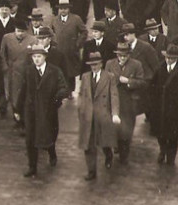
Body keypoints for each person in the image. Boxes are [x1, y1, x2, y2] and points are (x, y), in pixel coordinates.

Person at [17, 39, 69, 177]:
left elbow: (64, 88)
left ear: (45, 57)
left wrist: (55, 100)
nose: (36, 59)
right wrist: (17, 109)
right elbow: (23, 90)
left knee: (50, 133)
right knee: (30, 138)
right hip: (31, 110)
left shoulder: (54, 71)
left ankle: (52, 153)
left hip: (48, 110)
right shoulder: (28, 71)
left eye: (39, 56)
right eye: (34, 57)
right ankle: (32, 167)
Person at [77, 46, 120, 181]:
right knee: (88, 144)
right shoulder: (85, 77)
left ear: (101, 64)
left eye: (96, 64)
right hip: (88, 115)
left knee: (104, 141)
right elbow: (81, 95)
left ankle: (108, 155)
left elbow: (114, 95)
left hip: (103, 114)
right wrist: (81, 111)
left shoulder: (109, 77)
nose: (93, 67)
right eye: (91, 65)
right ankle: (91, 171)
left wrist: (115, 114)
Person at [149, 43, 178, 165]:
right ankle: (162, 150)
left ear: (177, 58)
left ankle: (171, 156)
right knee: (160, 133)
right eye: (167, 57)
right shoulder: (159, 69)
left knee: (174, 136)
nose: (169, 60)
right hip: (161, 108)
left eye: (172, 58)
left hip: (176, 110)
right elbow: (152, 87)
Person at [108, 38, 149, 164]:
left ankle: (124, 154)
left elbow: (142, 82)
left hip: (129, 102)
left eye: (125, 56)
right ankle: (116, 146)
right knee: (114, 127)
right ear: (116, 55)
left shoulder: (136, 65)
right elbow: (106, 81)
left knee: (127, 128)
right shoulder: (110, 64)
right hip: (114, 101)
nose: (122, 58)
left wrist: (129, 82)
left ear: (129, 55)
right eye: (120, 56)